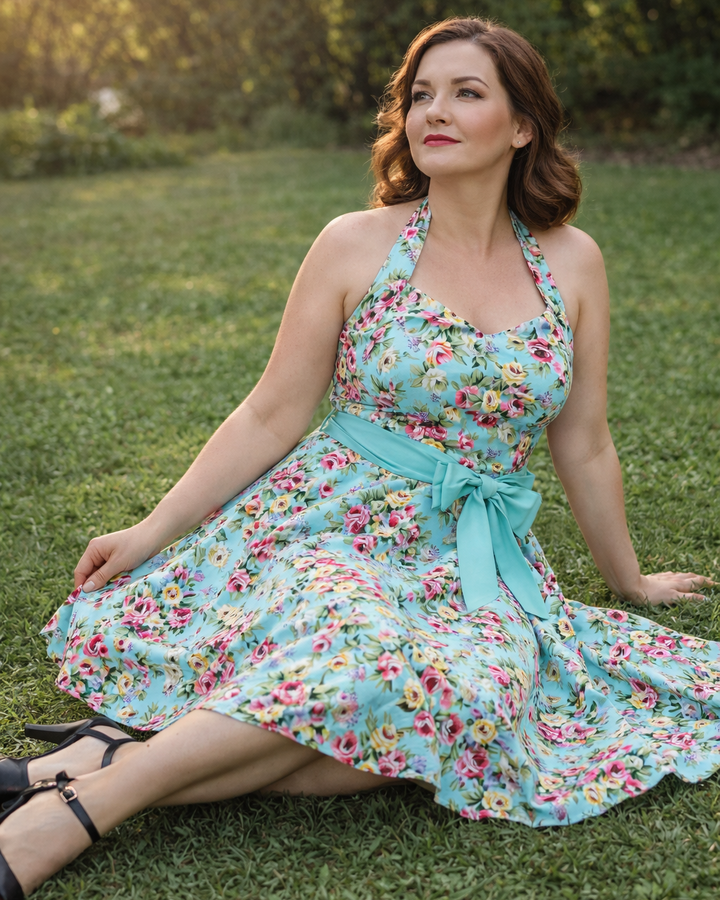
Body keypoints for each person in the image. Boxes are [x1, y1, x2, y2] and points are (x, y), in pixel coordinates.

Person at [0, 14, 717, 898]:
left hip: (474, 559)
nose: (434, 112)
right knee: (358, 659)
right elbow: (271, 415)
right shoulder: (354, 242)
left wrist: (632, 581)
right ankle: (69, 820)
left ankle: (100, 763)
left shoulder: (573, 263)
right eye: (421, 94)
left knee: (456, 713)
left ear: (523, 124)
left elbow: (585, 440)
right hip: (330, 522)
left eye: (467, 93)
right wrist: (150, 532)